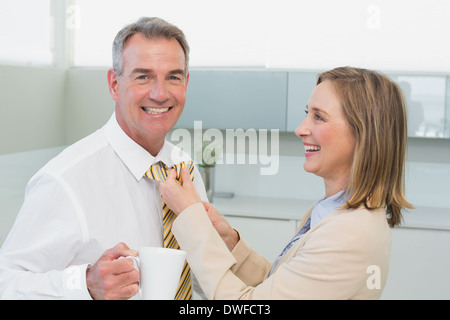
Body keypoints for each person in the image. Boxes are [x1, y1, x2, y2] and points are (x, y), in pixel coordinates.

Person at [159, 66, 413, 299]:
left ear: (363, 133)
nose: (301, 129)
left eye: (319, 117)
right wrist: (230, 242)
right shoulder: (332, 212)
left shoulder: (349, 234)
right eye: (307, 114)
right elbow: (281, 288)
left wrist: (190, 217)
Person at [0, 17, 207, 300]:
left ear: (186, 83)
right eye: (143, 76)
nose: (160, 93)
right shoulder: (65, 180)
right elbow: (6, 284)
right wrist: (85, 285)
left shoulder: (185, 169)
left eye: (173, 76)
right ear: (114, 84)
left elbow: (200, 275)